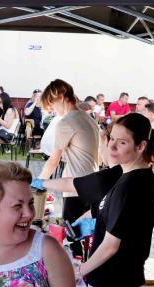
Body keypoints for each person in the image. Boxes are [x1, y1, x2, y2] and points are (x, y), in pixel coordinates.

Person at [32, 112, 154, 287]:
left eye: (122, 142)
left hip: (114, 279)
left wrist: (81, 271)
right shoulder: (122, 172)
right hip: (108, 276)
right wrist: (41, 182)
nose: (112, 146)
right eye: (111, 138)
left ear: (141, 146)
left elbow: (111, 245)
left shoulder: (133, 185)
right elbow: (77, 185)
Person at [36, 78, 100, 222]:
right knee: (86, 232)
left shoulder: (66, 122)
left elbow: (54, 161)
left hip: (75, 188)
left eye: (51, 103)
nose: (51, 109)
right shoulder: (89, 119)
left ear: (61, 96)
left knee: (72, 233)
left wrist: (38, 182)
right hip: (93, 185)